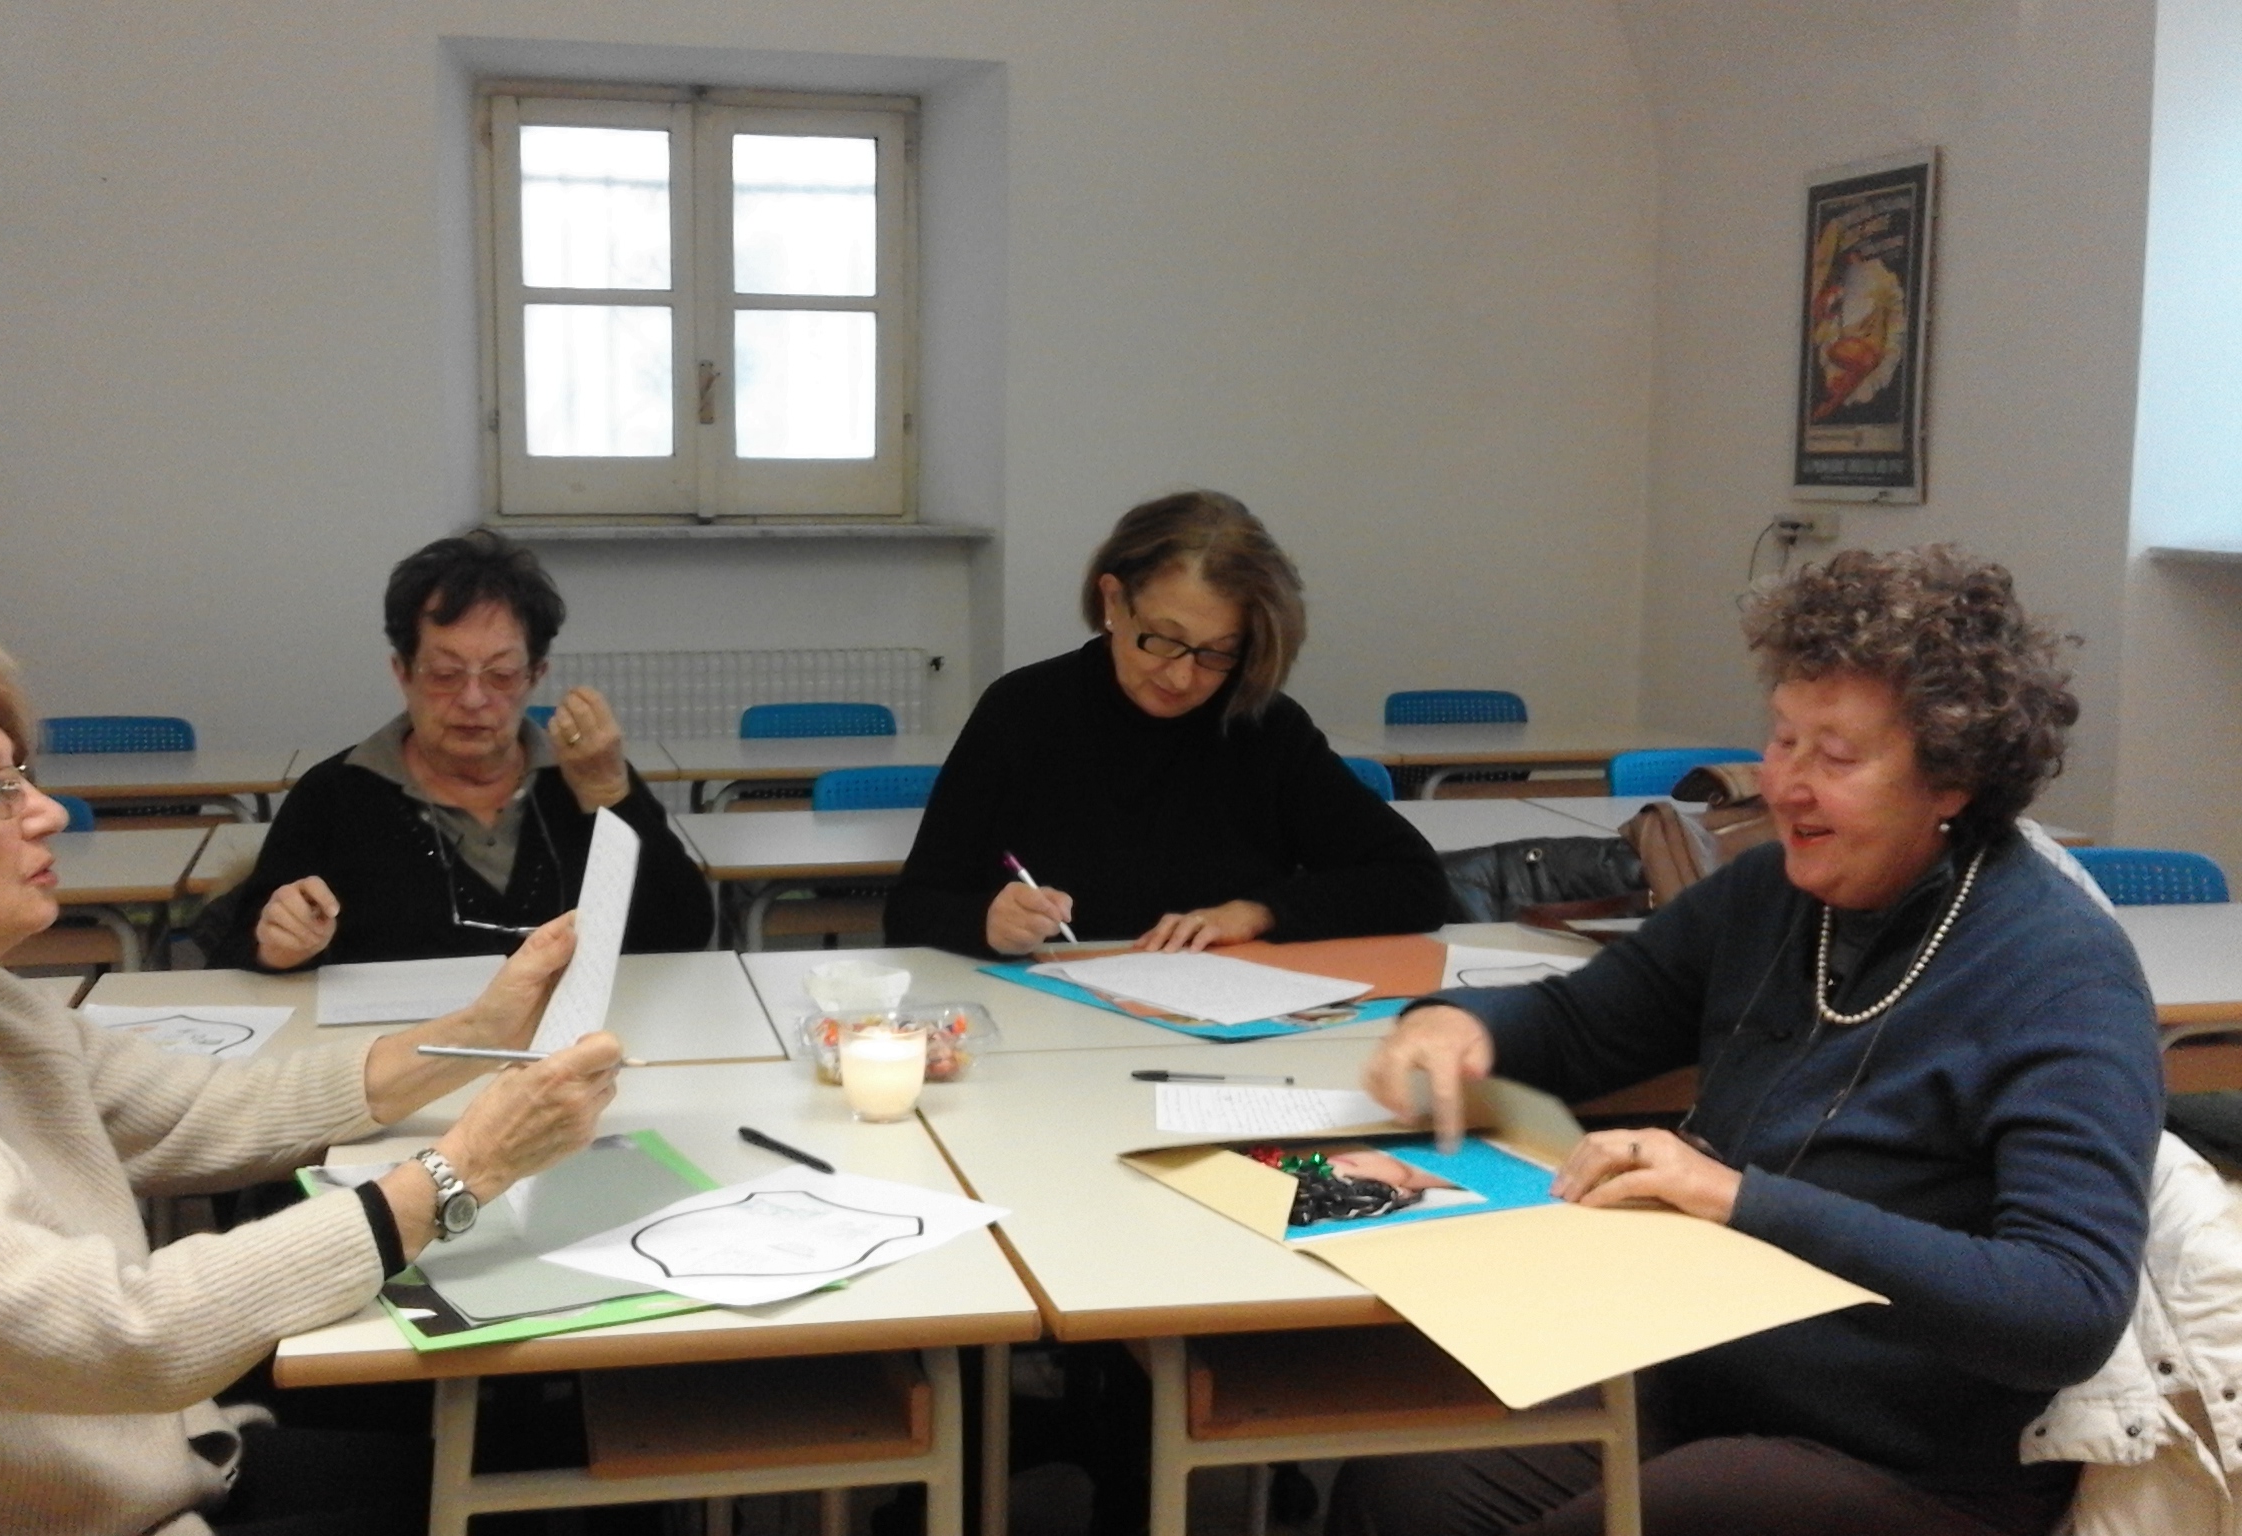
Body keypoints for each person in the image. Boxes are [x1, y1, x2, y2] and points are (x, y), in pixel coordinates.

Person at [0, 610, 625, 1536]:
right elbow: (126, 1335)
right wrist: (462, 1171)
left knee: (546, 1472)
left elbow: (201, 1113)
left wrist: (476, 1031)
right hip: (43, 1503)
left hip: (132, 1469)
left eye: (22, 777)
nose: (48, 811)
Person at [1339, 546, 2162, 1536]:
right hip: (1703, 1380)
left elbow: (2065, 1310)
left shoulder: (2058, 972)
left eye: (1836, 758)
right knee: (1400, 1481)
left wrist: (1737, 1199)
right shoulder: (1768, 897)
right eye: (1781, 739)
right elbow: (1580, 1026)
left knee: (1674, 1507)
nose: (1785, 785)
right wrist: (1450, 1023)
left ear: (1952, 782)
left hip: (1916, 1469)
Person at [884, 490, 1449, 956]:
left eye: (1217, 652)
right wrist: (986, 923)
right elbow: (912, 910)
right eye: (1162, 639)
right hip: (1051, 1015)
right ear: (1113, 602)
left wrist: (1258, 912)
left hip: (1221, 1019)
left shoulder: (1263, 727)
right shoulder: (1023, 712)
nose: (1182, 677)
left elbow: (1414, 881)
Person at [211, 531, 710, 970]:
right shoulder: (337, 795)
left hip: (568, 1039)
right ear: (403, 673)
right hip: (401, 1042)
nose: (473, 699)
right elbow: (234, 949)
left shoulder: (583, 775)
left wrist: (610, 795)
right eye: (445, 674)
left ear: (535, 676)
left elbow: (684, 932)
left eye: (501, 675)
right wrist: (277, 947)